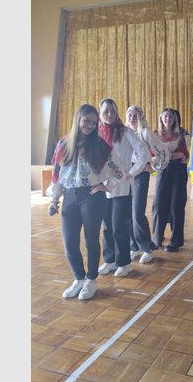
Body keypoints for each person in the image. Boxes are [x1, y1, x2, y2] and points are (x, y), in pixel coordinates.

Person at [47, 103, 124, 300]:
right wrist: (54, 199)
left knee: (91, 240)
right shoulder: (64, 144)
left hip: (92, 197)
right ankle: (79, 278)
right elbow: (57, 174)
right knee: (69, 242)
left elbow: (119, 170)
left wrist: (106, 186)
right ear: (78, 119)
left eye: (93, 123)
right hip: (70, 197)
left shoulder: (100, 145)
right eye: (86, 121)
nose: (89, 125)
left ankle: (91, 280)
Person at [97, 98, 151, 277]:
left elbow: (144, 152)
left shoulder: (125, 131)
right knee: (107, 226)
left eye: (113, 111)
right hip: (103, 187)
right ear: (100, 113)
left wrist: (132, 172)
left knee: (119, 225)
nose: (109, 115)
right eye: (106, 111)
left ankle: (124, 263)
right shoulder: (97, 133)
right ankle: (110, 260)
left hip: (122, 187)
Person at [125, 105, 170, 263]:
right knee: (127, 213)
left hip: (140, 176)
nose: (132, 118)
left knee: (137, 213)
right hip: (126, 176)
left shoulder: (145, 132)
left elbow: (163, 152)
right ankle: (134, 247)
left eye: (135, 115)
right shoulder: (124, 132)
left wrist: (150, 165)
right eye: (129, 114)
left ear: (140, 117)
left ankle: (147, 249)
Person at [151, 107, 189, 252]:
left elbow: (185, 156)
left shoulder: (181, 134)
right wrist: (172, 155)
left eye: (171, 117)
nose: (168, 119)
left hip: (179, 171)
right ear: (161, 118)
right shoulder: (155, 135)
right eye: (165, 116)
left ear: (175, 119)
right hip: (163, 170)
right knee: (158, 204)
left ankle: (176, 242)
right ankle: (156, 239)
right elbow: (151, 156)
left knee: (176, 206)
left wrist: (168, 156)